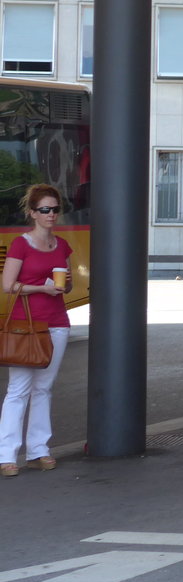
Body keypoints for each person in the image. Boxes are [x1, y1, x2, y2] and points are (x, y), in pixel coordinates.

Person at [0, 184, 72, 477]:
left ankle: (38, 449)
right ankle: (6, 455)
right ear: (32, 213)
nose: (51, 214)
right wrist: (40, 288)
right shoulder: (21, 244)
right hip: (24, 326)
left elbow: (67, 284)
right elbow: (8, 285)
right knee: (18, 390)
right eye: (45, 209)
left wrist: (62, 286)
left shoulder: (62, 245)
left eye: (55, 209)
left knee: (44, 388)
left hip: (57, 323)